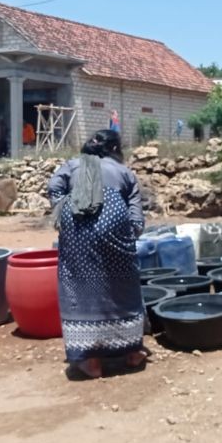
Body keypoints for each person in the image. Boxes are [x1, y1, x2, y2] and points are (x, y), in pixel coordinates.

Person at [48, 129, 146, 379]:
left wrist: (64, 213)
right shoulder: (123, 171)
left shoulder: (74, 164)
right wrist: (130, 233)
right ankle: (132, 353)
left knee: (80, 283)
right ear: (115, 149)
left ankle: (90, 361)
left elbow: (54, 187)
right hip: (115, 220)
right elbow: (135, 213)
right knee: (123, 281)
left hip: (76, 220)